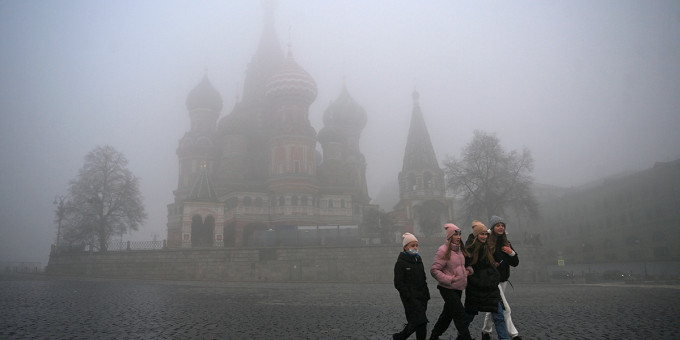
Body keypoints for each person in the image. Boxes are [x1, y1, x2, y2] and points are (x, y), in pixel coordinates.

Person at [464, 221, 510, 340]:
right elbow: (467, 266)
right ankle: (461, 336)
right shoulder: (470, 249)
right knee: (469, 315)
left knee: (499, 315)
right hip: (476, 288)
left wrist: (494, 275)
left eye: (485, 234)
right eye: (482, 234)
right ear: (476, 235)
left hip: (490, 287)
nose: (484, 236)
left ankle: (504, 338)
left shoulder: (487, 247)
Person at [429, 223, 473, 340]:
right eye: (455, 235)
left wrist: (468, 271)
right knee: (460, 315)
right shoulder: (442, 250)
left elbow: (465, 265)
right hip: (447, 288)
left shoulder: (460, 250)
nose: (458, 237)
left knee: (447, 315)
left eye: (459, 234)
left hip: (458, 288)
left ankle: (434, 336)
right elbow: (434, 270)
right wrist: (449, 279)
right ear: (450, 236)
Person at [481, 216, 521, 340]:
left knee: (493, 307)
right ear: (492, 228)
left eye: (502, 225)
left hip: (503, 280)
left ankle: (486, 332)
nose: (501, 227)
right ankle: (514, 335)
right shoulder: (486, 241)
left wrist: (511, 252)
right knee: (505, 309)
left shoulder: (506, 243)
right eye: (498, 225)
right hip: (492, 280)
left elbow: (515, 262)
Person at [393, 233, 430, 340]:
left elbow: (423, 278)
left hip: (422, 297)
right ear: (405, 247)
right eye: (412, 245)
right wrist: (408, 295)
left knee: (419, 323)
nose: (415, 248)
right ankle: (399, 337)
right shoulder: (400, 263)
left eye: (416, 245)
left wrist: (426, 294)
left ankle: (399, 337)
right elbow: (398, 282)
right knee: (420, 321)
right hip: (411, 299)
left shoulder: (419, 260)